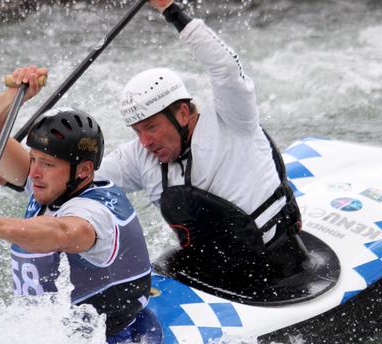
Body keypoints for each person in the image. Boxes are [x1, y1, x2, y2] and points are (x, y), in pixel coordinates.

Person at [95, 0, 306, 288]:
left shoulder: (232, 122)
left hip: (281, 272)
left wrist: (171, 10)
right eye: (137, 131)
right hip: (211, 272)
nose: (145, 141)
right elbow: (75, 178)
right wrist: (13, 109)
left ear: (182, 113)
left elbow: (227, 68)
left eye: (151, 127)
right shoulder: (141, 156)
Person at [0, 67, 155, 341]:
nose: (34, 172)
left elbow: (59, 233)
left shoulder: (96, 213)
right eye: (34, 158)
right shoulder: (53, 183)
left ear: (84, 171)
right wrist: (14, 94)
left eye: (47, 164)